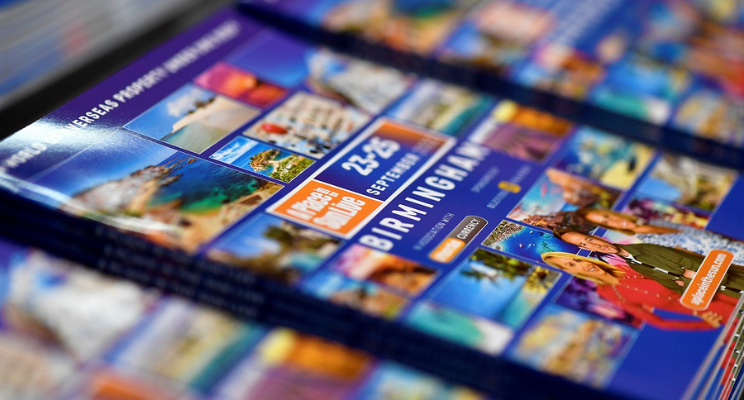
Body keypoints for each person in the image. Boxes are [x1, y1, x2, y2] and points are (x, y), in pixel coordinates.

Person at [541, 252, 736, 330]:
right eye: (571, 265)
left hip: (722, 289)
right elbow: (659, 322)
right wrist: (705, 324)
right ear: (570, 272)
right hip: (712, 311)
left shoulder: (626, 268)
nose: (581, 264)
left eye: (576, 259)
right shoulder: (606, 293)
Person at [552, 229, 744, 298]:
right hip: (730, 295)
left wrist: (687, 278)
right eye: (584, 245)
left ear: (597, 236)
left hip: (736, 280)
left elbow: (706, 267)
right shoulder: (635, 265)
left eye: (589, 239)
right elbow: (681, 290)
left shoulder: (647, 246)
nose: (595, 246)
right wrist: (686, 278)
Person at [571, 207, 744, 264]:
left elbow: (704, 232)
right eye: (606, 222)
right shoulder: (646, 240)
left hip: (735, 244)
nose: (613, 220)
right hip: (730, 260)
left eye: (607, 216)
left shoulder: (656, 219)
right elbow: (692, 257)